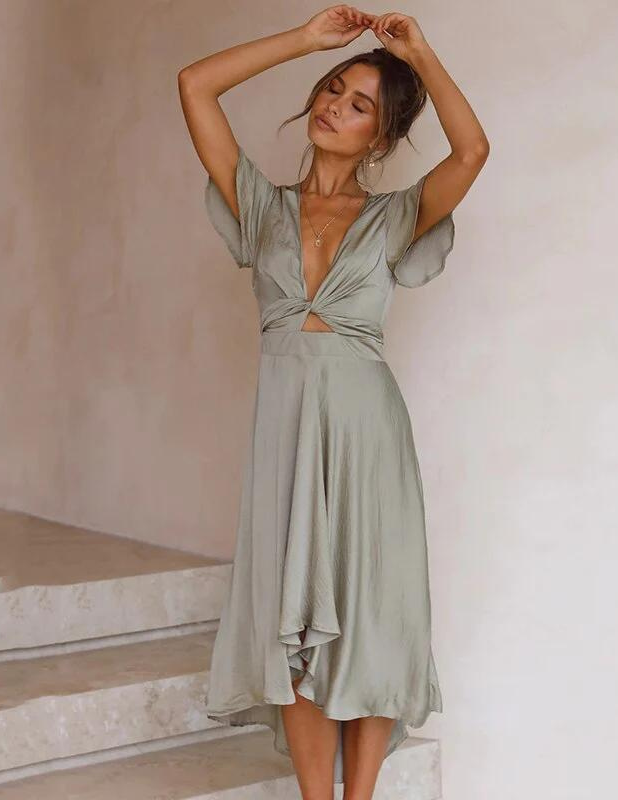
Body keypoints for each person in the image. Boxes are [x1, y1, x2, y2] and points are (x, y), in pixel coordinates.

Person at [178, 6, 488, 799]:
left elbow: (472, 151)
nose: (334, 106)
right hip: (286, 428)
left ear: (379, 138)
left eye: (359, 105)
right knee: (295, 625)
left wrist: (420, 53)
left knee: (371, 614)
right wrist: (304, 40)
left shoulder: (394, 215)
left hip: (365, 430)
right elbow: (195, 85)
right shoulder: (260, 204)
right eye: (332, 88)